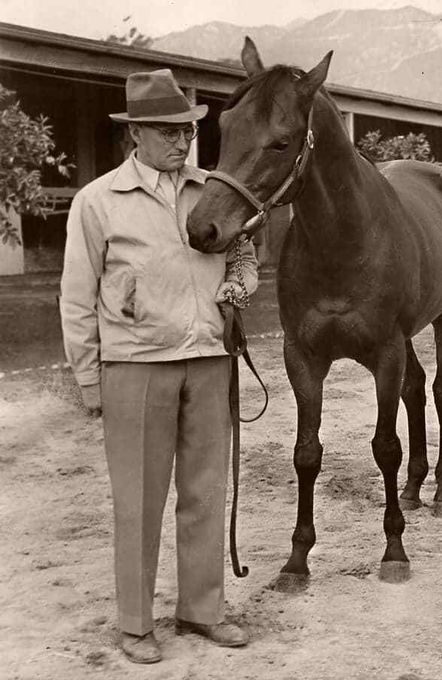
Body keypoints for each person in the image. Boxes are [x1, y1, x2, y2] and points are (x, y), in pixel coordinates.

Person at [60, 69, 258, 664]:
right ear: (135, 135)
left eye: (187, 131)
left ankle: (201, 611)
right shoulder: (98, 201)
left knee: (204, 492)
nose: (182, 142)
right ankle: (135, 625)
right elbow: (76, 298)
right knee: (138, 501)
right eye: (168, 132)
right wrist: (90, 380)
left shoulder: (212, 192)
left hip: (207, 361)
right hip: (135, 367)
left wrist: (240, 285)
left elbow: (244, 259)